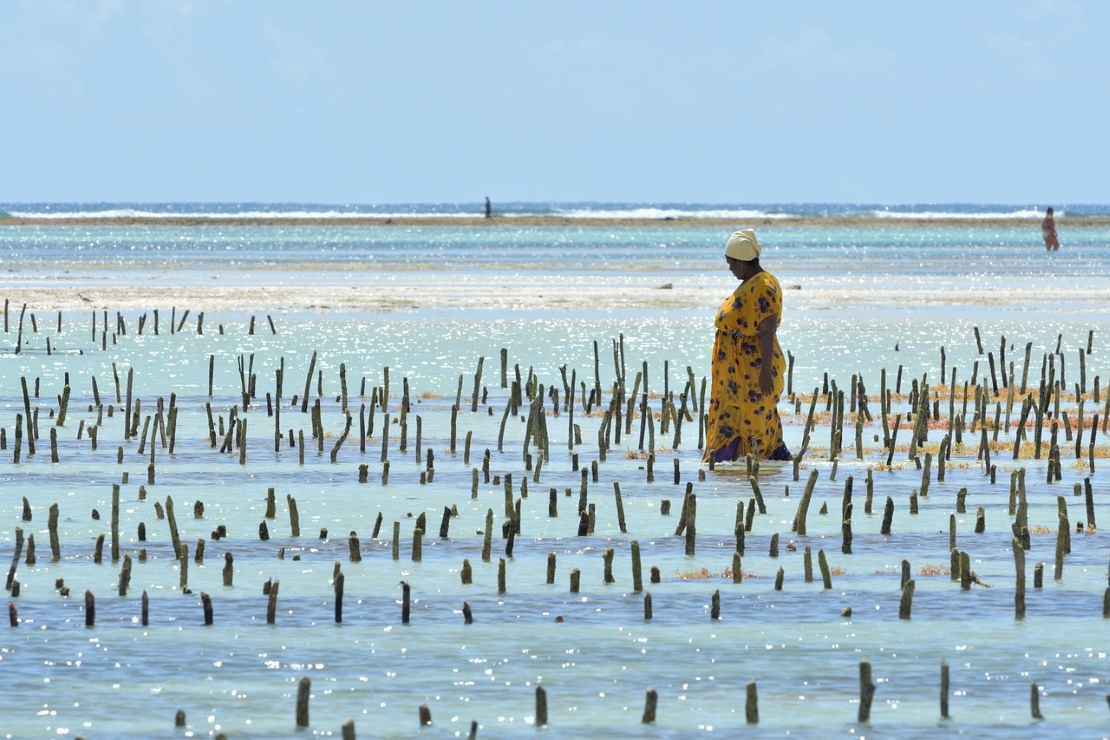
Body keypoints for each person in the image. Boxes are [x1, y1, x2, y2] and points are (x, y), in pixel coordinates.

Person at [704, 229, 792, 462]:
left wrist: (765, 372)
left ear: (741, 263)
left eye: (731, 263)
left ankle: (754, 462)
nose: (730, 268)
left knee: (751, 417)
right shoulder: (753, 282)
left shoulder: (763, 285)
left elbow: (767, 331)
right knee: (734, 414)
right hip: (737, 370)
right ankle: (734, 462)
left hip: (753, 369)